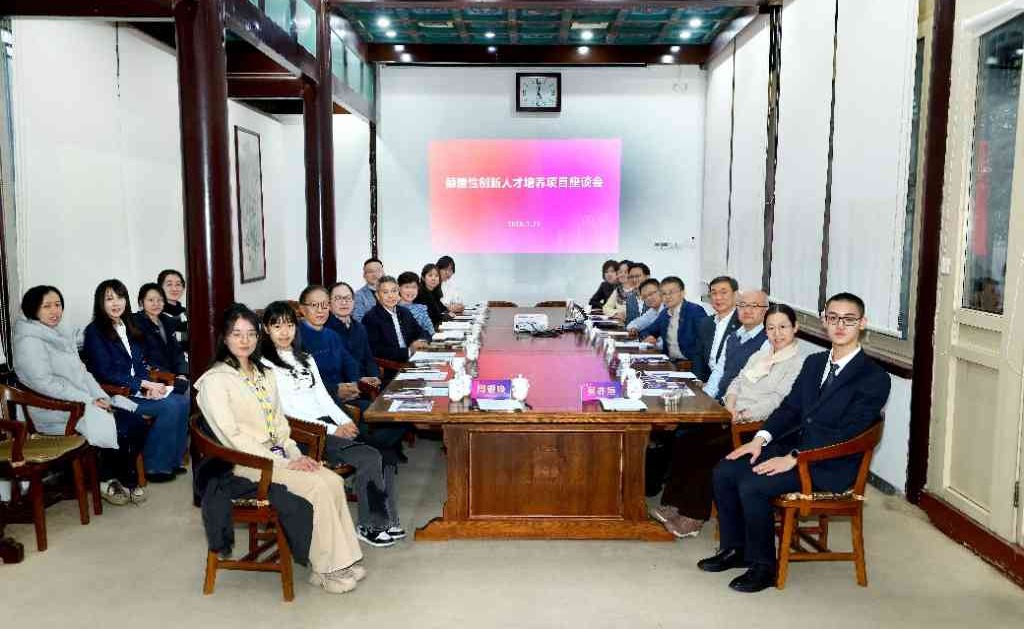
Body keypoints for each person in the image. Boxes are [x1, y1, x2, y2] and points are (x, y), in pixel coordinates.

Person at [699, 292, 890, 593]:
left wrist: (795, 457)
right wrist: (760, 440)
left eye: (849, 319)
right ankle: (736, 549)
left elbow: (849, 432)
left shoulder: (874, 377)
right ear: (824, 321)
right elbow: (790, 408)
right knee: (726, 470)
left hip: (829, 464)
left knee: (753, 484)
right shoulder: (815, 363)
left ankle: (764, 567)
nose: (840, 325)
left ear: (862, 323)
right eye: (833, 318)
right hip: (794, 448)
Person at [195, 305, 366, 594]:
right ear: (224, 337)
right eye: (237, 334)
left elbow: (279, 423)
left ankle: (342, 560)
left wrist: (296, 454)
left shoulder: (263, 372)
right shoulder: (215, 381)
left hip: (279, 455)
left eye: (250, 333)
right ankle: (327, 569)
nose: (245, 340)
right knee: (317, 487)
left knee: (332, 481)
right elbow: (232, 437)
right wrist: (284, 463)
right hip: (245, 463)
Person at [651, 303, 805, 539]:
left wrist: (742, 415)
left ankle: (693, 516)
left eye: (783, 327)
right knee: (686, 438)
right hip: (733, 416)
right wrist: (730, 406)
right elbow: (736, 382)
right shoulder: (761, 355)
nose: (777, 333)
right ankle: (674, 504)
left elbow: (778, 401)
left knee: (708, 450)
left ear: (795, 327)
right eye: (771, 328)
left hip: (758, 428)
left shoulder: (799, 363)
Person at [260, 301, 404, 547]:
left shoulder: (305, 357)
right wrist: (331, 429)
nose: (284, 332)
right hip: (304, 433)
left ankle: (387, 519)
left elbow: (323, 398)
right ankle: (370, 525)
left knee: (386, 452)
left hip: (328, 425)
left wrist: (345, 421)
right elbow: (287, 411)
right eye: (277, 326)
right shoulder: (265, 365)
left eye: (289, 325)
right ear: (266, 329)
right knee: (369, 456)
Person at [14, 285, 150, 505]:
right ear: (33, 309)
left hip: (81, 402)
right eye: (46, 306)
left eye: (58, 305)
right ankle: (107, 479)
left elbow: (83, 374)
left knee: (136, 422)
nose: (54, 311)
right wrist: (88, 400)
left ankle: (122, 477)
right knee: (121, 426)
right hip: (55, 410)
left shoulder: (59, 333)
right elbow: (44, 384)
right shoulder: (29, 340)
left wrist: (101, 397)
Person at [83, 279, 190, 483]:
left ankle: (172, 461)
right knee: (170, 406)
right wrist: (143, 385)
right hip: (115, 395)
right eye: (109, 299)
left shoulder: (127, 326)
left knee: (182, 400)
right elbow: (105, 372)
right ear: (100, 303)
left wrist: (147, 386)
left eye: (120, 297)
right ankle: (154, 466)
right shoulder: (94, 331)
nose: (116, 303)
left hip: (136, 391)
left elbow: (139, 365)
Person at [325, 282, 407, 463]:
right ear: (329, 304)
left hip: (367, 384)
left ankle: (385, 450)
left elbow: (369, 358)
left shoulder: (359, 327)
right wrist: (359, 382)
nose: (344, 302)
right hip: (346, 390)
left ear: (354, 302)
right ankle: (382, 453)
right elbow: (336, 369)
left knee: (404, 400)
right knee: (384, 418)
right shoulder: (326, 330)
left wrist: (374, 377)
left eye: (348, 298)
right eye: (338, 298)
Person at [297, 285, 361, 409]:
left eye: (325, 305)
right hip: (317, 403)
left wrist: (353, 384)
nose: (320, 310)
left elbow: (349, 362)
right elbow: (303, 380)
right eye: (314, 305)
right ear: (302, 309)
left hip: (343, 397)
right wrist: (335, 390)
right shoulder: (295, 337)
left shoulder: (332, 335)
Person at [701, 289, 769, 400]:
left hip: (741, 404)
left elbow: (755, 385)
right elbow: (719, 371)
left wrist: (725, 403)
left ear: (765, 311)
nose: (747, 310)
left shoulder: (768, 342)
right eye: (742, 305)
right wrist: (706, 397)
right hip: (720, 401)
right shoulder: (732, 337)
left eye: (754, 306)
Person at [362, 275, 431, 364]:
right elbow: (375, 350)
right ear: (377, 296)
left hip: (414, 359)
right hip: (392, 366)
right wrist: (409, 351)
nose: (391, 296)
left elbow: (422, 332)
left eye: (394, 291)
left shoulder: (404, 312)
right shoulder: (371, 318)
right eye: (385, 292)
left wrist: (421, 341)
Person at [133, 283, 189, 389]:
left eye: (160, 300)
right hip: (152, 378)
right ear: (141, 302)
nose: (156, 304)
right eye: (151, 300)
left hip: (173, 376)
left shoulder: (167, 320)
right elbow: (142, 358)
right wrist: (170, 377)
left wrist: (182, 373)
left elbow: (177, 352)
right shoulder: (136, 323)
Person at [640, 276, 707, 362]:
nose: (667, 297)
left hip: (689, 364)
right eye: (664, 294)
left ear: (682, 293)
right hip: (669, 362)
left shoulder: (695, 311)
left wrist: (697, 369)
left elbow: (704, 344)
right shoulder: (665, 313)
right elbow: (646, 331)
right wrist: (648, 336)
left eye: (671, 293)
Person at [692, 276, 740, 382]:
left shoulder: (743, 323)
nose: (718, 298)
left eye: (723, 292)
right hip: (707, 383)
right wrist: (698, 380)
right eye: (714, 293)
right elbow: (698, 356)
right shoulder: (706, 323)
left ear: (735, 295)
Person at [397, 271, 435, 336]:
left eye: (414, 287)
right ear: (399, 288)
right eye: (407, 287)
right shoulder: (392, 308)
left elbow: (431, 332)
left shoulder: (421, 309)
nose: (410, 291)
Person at [158, 269, 188, 351]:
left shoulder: (187, 313)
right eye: (169, 284)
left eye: (178, 284)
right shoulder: (155, 313)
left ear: (183, 288)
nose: (174, 289)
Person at [414, 263, 448, 328]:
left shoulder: (434, 293)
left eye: (436, 276)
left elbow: (442, 308)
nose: (433, 278)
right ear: (423, 278)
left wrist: (449, 310)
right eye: (430, 275)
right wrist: (448, 316)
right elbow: (434, 317)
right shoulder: (421, 293)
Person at [352, 258, 384, 322]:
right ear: (364, 275)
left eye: (378, 271)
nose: (375, 274)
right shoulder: (358, 295)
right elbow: (358, 320)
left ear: (383, 273)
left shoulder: (393, 292)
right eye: (370, 271)